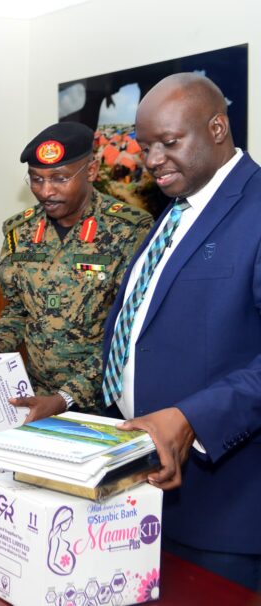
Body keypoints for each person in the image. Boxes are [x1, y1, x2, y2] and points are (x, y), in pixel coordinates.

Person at [102, 73, 261, 591]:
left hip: (222, 511)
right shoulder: (174, 212)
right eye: (144, 146)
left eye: (169, 143)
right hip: (142, 490)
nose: (151, 161)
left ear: (217, 127)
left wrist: (190, 417)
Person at [0, 122, 153, 422]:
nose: (46, 191)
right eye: (36, 180)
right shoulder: (19, 231)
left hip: (106, 404)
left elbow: (126, 333)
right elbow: (17, 314)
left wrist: (65, 397)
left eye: (60, 179)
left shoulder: (129, 230)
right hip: (36, 399)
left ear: (91, 172)